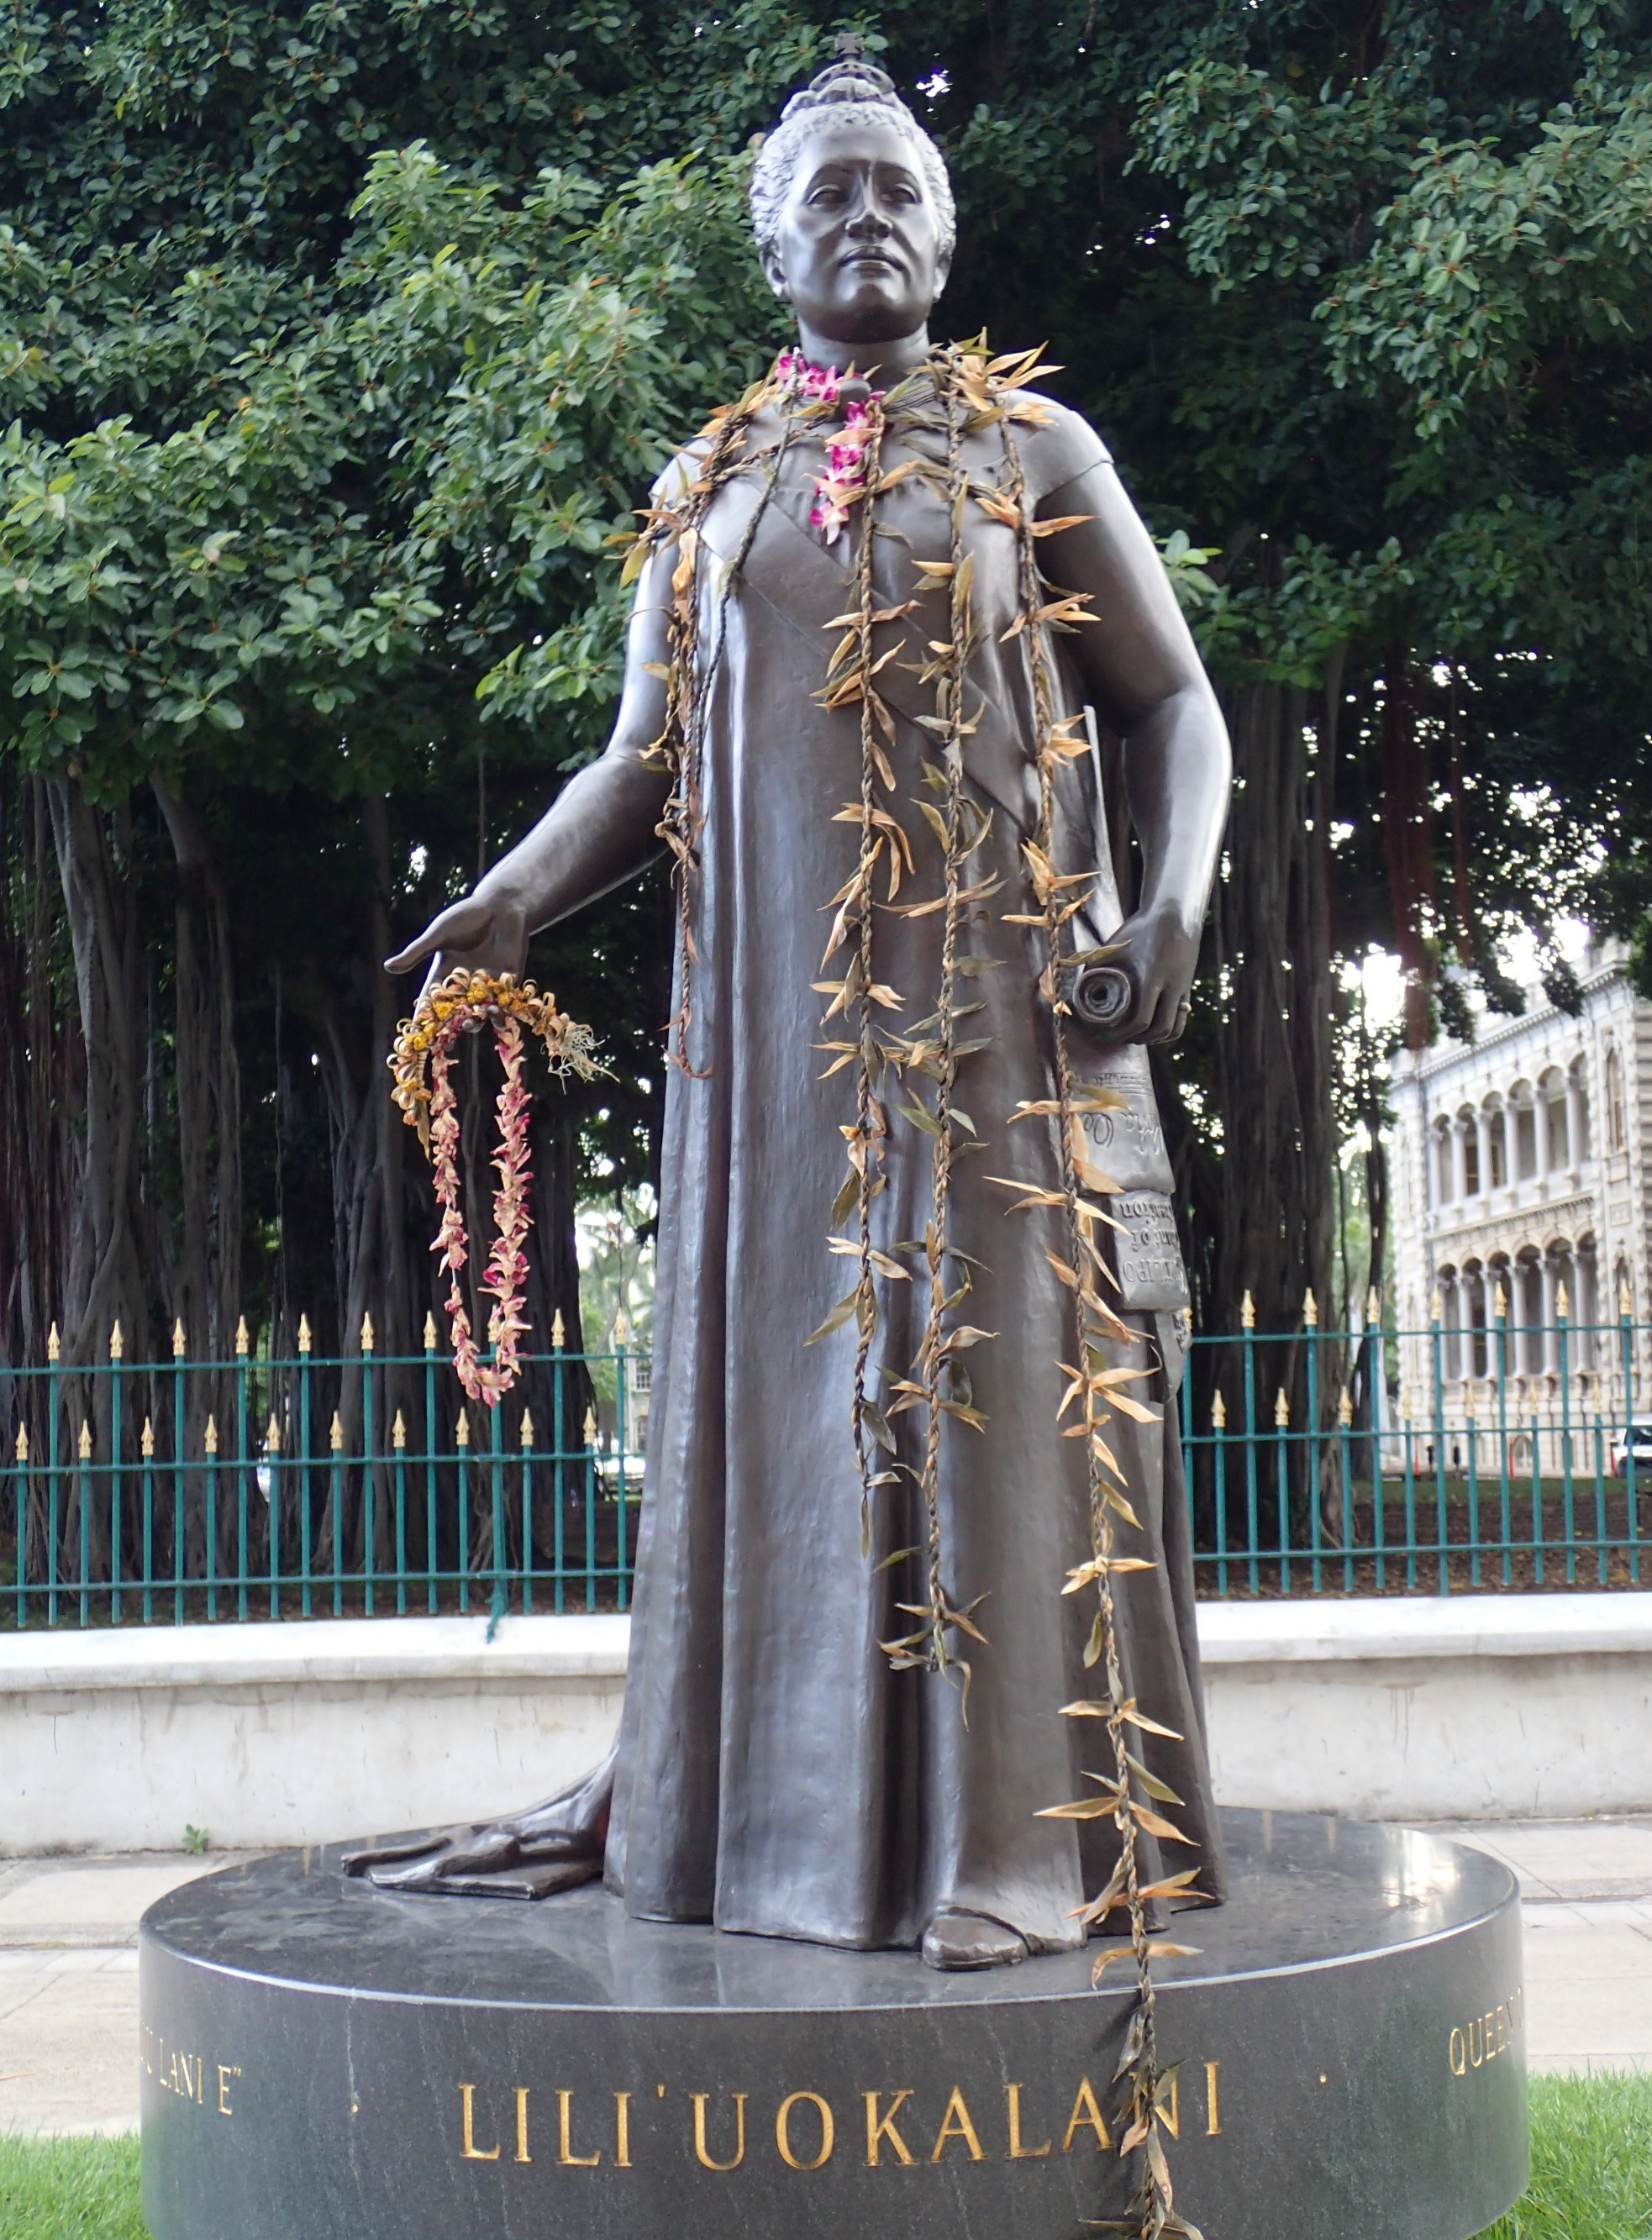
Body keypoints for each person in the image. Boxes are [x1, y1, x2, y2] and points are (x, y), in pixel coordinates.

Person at [349, 49, 1232, 1972]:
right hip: (768, 1059)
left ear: (946, 224)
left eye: (896, 185)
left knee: (997, 1385)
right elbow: (636, 760)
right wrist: (514, 892)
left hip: (998, 1010)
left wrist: (1168, 903)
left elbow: (1172, 703)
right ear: (767, 240)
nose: (866, 217)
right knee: (792, 1404)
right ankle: (761, 1825)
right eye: (826, 192)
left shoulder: (1033, 452)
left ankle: (1015, 1842)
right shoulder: (710, 484)